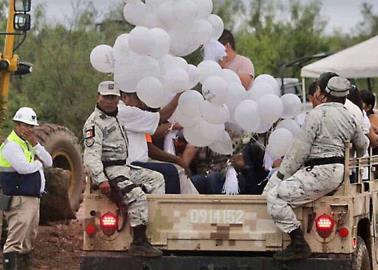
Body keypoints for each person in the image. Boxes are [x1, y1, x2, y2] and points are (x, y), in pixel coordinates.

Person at [264, 77, 368, 261]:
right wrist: (353, 158)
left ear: (325, 94)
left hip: (319, 172)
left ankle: (298, 243)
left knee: (275, 197)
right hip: (337, 172)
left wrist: (281, 175)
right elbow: (362, 144)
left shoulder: (317, 114)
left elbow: (299, 151)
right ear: (345, 96)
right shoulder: (351, 117)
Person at [83, 81, 165, 257]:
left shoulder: (118, 115)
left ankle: (155, 232)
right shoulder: (94, 123)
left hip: (124, 166)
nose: (110, 101)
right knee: (136, 196)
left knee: (156, 178)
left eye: (113, 97)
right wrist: (101, 179)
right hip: (110, 170)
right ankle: (138, 242)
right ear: (98, 97)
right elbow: (91, 155)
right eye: (106, 97)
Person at [0, 107, 52, 269]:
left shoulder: (27, 143)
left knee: (28, 238)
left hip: (31, 197)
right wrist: (37, 164)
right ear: (16, 124)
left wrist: (36, 145)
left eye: (31, 126)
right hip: (19, 198)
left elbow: (49, 161)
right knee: (15, 240)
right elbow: (24, 168)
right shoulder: (11, 145)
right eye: (24, 125)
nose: (28, 129)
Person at [118, 90, 182, 194]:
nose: (143, 103)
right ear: (125, 97)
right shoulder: (127, 111)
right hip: (132, 165)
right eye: (139, 99)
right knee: (170, 171)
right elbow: (161, 117)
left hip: (136, 163)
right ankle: (170, 208)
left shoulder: (126, 113)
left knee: (171, 169)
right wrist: (179, 95)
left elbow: (153, 134)